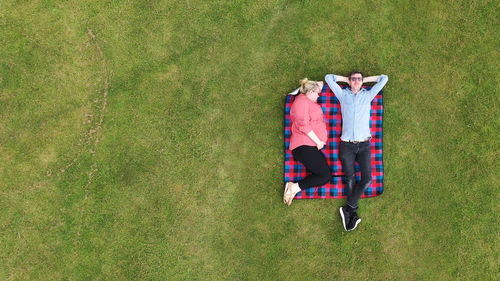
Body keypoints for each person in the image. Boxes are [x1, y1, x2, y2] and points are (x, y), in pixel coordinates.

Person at [324, 71, 388, 231]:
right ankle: (351, 214)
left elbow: (384, 78)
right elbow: (328, 78)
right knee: (350, 177)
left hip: (364, 145)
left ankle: (349, 209)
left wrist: (365, 80)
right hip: (346, 145)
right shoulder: (342, 95)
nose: (356, 81)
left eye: (359, 79)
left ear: (362, 82)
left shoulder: (368, 95)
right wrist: (345, 80)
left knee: (367, 179)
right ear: (350, 81)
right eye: (354, 79)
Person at [284, 78, 331, 206]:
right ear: (309, 92)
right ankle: (293, 187)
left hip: (308, 146)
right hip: (304, 145)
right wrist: (318, 142)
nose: (319, 95)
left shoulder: (307, 101)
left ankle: (294, 188)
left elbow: (321, 83)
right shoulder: (301, 101)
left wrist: (316, 86)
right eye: (317, 93)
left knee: (325, 175)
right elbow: (303, 125)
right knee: (325, 176)